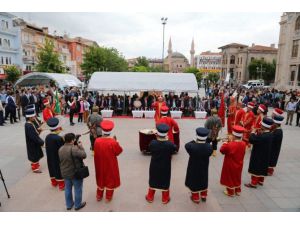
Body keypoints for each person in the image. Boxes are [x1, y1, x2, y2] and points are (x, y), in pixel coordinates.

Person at [145, 123, 177, 204]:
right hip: (165, 166)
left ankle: (150, 197)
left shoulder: (153, 143)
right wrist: (168, 140)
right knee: (165, 180)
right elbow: (174, 149)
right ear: (166, 134)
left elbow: (150, 148)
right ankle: (165, 198)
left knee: (153, 180)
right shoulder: (170, 144)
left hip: (154, 166)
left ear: (157, 133)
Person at [94, 120, 123, 202]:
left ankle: (99, 196)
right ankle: (108, 197)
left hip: (99, 164)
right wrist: (116, 142)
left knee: (100, 178)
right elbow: (119, 152)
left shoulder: (97, 141)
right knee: (110, 179)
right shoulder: (113, 142)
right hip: (110, 164)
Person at [58, 133, 87, 211]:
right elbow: (84, 155)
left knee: (67, 189)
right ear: (72, 140)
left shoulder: (60, 149)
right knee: (78, 189)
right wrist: (81, 147)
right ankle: (77, 205)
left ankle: (69, 204)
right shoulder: (74, 149)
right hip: (75, 173)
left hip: (65, 173)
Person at [185, 127, 213, 203]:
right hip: (204, 167)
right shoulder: (209, 147)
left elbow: (186, 145)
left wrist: (195, 140)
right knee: (203, 179)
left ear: (197, 135)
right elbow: (210, 151)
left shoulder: (191, 146)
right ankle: (204, 195)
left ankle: (196, 197)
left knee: (194, 180)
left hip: (194, 167)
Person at [244, 117, 274, 188]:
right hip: (265, 154)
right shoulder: (270, 134)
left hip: (258, 154)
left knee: (256, 167)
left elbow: (252, 140)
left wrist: (253, 132)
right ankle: (260, 181)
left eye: (261, 125)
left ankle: (253, 183)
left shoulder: (263, 136)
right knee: (263, 167)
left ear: (263, 126)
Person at [220, 125, 246, 197]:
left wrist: (226, 142)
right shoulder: (243, 143)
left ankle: (230, 192)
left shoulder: (230, 145)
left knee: (230, 177)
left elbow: (222, 150)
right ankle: (238, 190)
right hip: (239, 163)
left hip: (230, 163)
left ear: (234, 135)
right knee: (237, 176)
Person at [45, 118, 65, 190]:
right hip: (57, 157)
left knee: (51, 168)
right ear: (57, 127)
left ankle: (54, 182)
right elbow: (62, 148)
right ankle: (61, 185)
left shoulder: (47, 137)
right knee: (58, 169)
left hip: (50, 156)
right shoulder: (58, 138)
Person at [24, 108, 44, 173]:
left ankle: (35, 165)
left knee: (36, 154)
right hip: (32, 143)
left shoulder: (30, 123)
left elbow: (35, 133)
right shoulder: (29, 125)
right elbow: (34, 137)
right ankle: (35, 168)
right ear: (29, 117)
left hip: (33, 142)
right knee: (34, 155)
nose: (34, 117)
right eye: (33, 116)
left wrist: (39, 130)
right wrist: (41, 142)